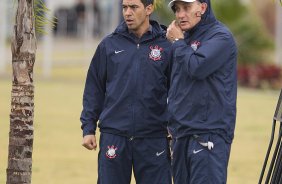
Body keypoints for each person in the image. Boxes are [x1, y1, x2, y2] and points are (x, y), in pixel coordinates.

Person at [80, 0, 172, 183]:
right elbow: (94, 88)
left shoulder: (167, 46)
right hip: (115, 136)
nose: (127, 13)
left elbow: (178, 92)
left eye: (134, 7)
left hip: (153, 137)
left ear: (149, 9)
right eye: (124, 7)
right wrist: (88, 128)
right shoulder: (109, 45)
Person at [166, 0, 237, 183]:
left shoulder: (221, 37)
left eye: (187, 8)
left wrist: (178, 42)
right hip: (181, 135)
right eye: (177, 9)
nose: (180, 15)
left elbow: (197, 68)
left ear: (202, 8)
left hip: (208, 135)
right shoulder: (183, 39)